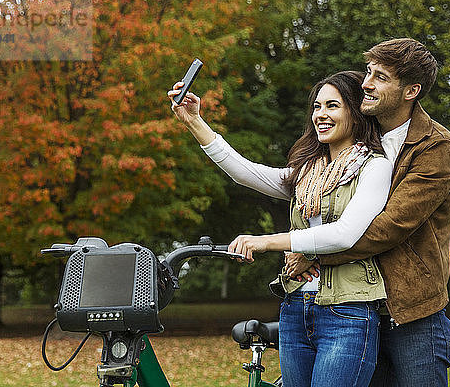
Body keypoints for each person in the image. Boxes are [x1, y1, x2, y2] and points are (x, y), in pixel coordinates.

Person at [168, 70, 393, 387]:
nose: (321, 115)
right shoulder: (307, 173)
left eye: (332, 106)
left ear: (356, 114)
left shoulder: (375, 166)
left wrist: (265, 242)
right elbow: (244, 173)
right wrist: (193, 120)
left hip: (347, 311)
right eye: (316, 107)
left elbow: (345, 234)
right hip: (295, 307)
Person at [286, 38, 450, 386]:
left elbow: (389, 228)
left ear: (411, 90)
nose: (366, 83)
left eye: (380, 76)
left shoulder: (436, 148)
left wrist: (315, 257)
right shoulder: (361, 139)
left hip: (411, 315)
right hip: (354, 310)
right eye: (368, 71)